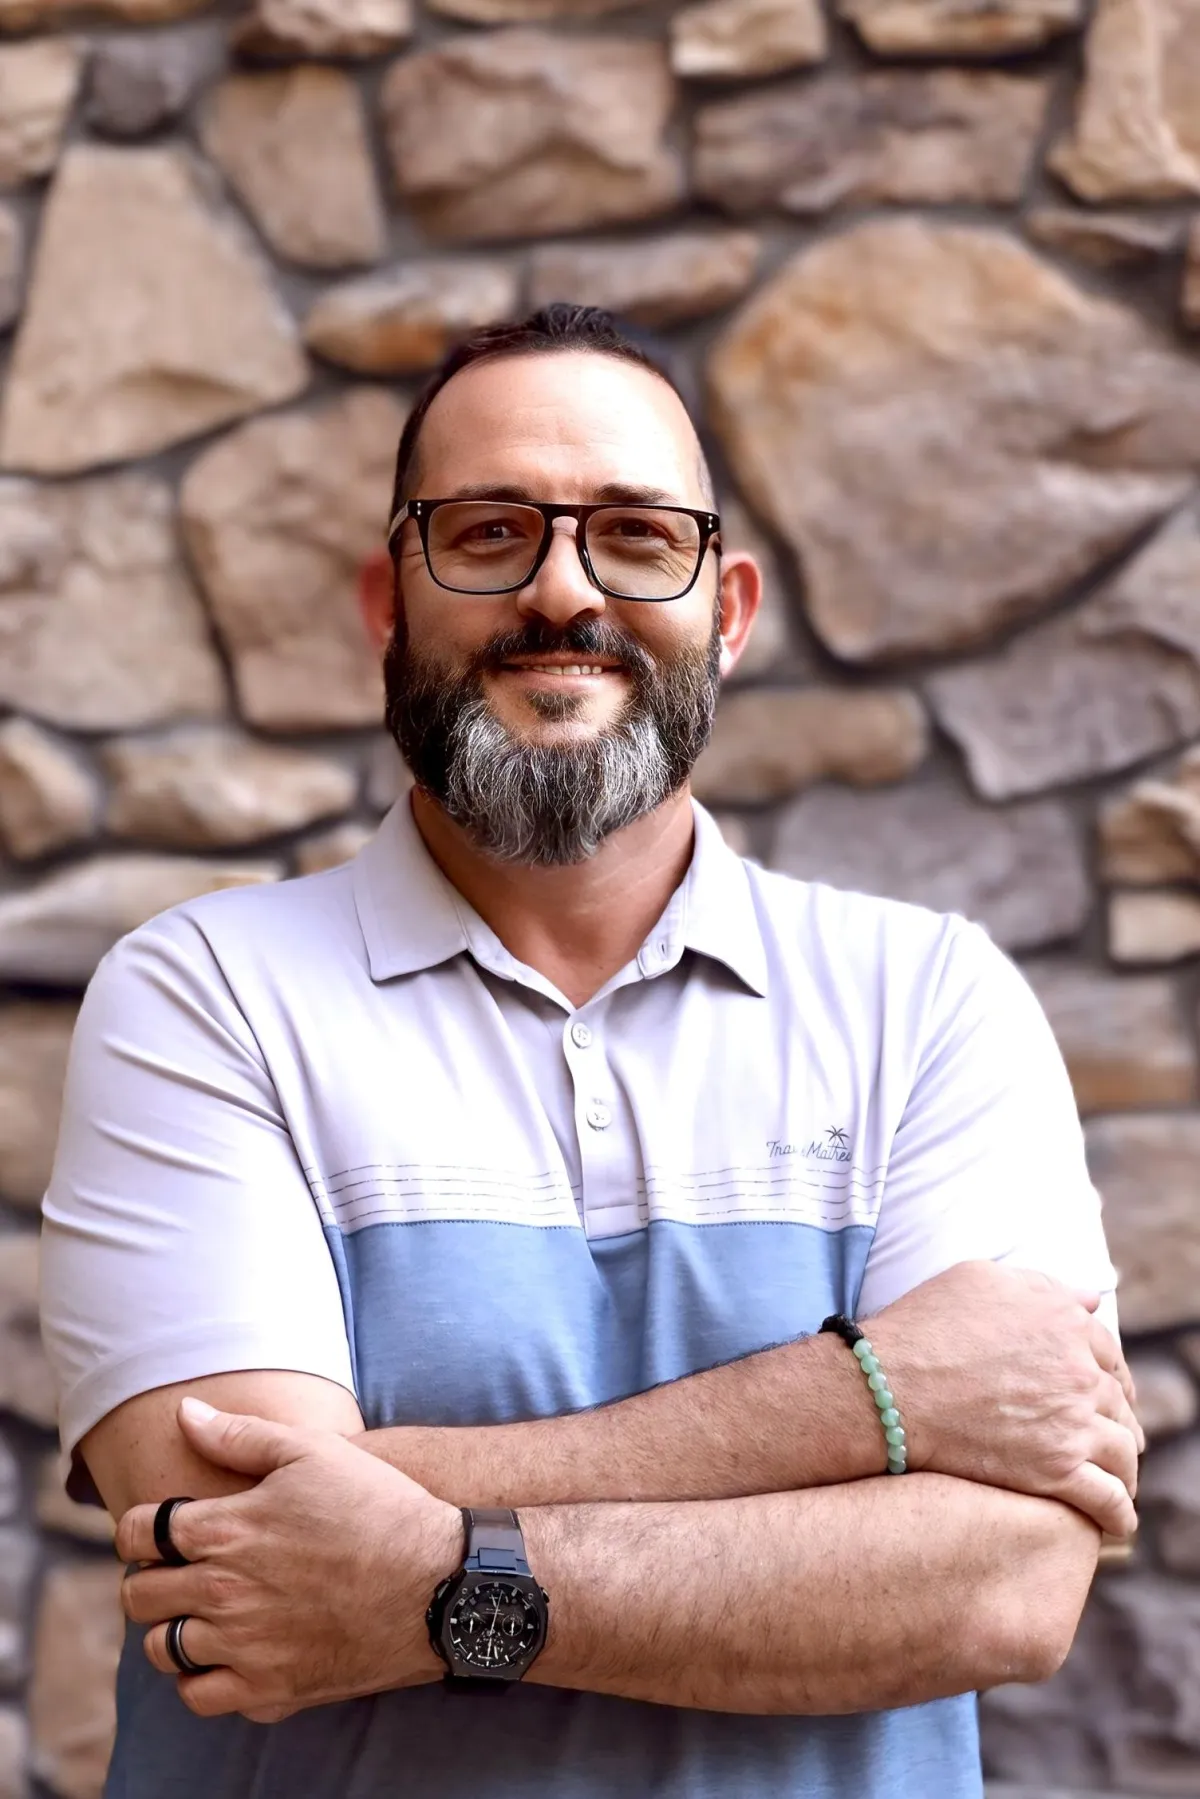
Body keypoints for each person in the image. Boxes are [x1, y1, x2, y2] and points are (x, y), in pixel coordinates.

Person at [40, 304, 1142, 1799]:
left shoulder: (930, 1000)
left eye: (633, 535)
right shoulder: (204, 995)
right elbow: (238, 1557)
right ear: (387, 600)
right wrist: (873, 1401)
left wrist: (420, 1568)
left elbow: (1001, 1590)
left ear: (731, 610)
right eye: (489, 531)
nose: (562, 590)